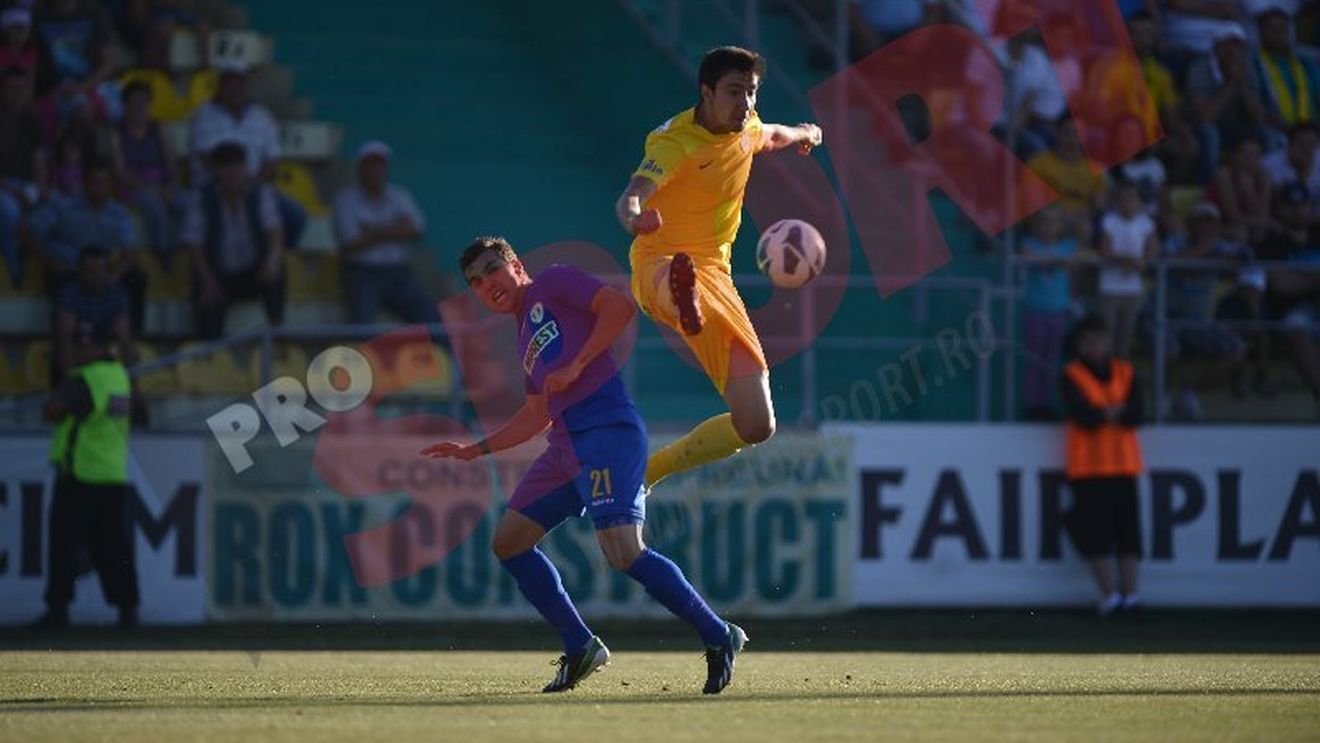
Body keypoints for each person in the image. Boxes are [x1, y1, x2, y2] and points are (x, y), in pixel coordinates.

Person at [423, 237, 747, 694]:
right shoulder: (523, 333)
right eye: (476, 282)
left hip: (607, 432)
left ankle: (719, 634)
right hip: (565, 447)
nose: (487, 284)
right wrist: (474, 450)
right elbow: (536, 414)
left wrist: (576, 363)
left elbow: (618, 308)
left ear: (516, 265)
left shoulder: (552, 282)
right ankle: (581, 646)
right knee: (510, 543)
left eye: (493, 269)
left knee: (624, 552)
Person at [614, 46, 822, 491]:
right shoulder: (674, 142)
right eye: (734, 91)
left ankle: (650, 471)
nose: (745, 102)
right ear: (706, 92)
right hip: (657, 261)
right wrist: (635, 217)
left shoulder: (745, 125)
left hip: (716, 276)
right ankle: (680, 295)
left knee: (756, 424)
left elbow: (768, 135)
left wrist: (806, 131)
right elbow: (632, 193)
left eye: (751, 91)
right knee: (674, 277)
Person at [29, 315, 138, 629]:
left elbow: (54, 410)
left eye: (84, 343)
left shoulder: (86, 378)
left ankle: (58, 609)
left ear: (100, 346)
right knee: (113, 547)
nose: (78, 349)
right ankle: (128, 609)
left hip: (80, 474)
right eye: (77, 342)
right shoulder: (119, 375)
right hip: (112, 474)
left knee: (64, 544)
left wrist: (55, 401)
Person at [1061, 315, 1144, 617]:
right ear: (1079, 345)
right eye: (1088, 341)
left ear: (1109, 342)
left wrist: (1106, 413)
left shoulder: (1125, 372)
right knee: (1095, 534)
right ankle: (1110, 596)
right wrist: (1114, 413)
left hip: (1123, 465)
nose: (1094, 347)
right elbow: (1085, 417)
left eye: (1099, 340)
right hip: (1088, 468)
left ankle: (1132, 595)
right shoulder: (1071, 374)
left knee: (1128, 533)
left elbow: (1137, 414)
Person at [188, 59, 305, 247]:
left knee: (295, 216)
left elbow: (271, 160)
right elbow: (206, 160)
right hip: (215, 187)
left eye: (239, 82)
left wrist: (254, 183)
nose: (235, 87)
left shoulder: (262, 116)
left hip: (254, 185)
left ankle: (271, 259)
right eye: (230, 82)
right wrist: (233, 180)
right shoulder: (204, 115)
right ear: (221, 85)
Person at [180, 141, 285, 339]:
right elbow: (195, 245)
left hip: (253, 271)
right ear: (216, 171)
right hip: (217, 272)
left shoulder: (260, 193)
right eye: (227, 168)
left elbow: (275, 232)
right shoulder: (201, 198)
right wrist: (209, 281)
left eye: (238, 166)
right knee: (205, 298)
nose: (234, 174)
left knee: (278, 270)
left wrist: (271, 262)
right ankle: (208, 352)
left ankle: (279, 335)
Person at [1155, 202, 1250, 420]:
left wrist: (1225, 242)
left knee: (1236, 349)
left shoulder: (1222, 246)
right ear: (1191, 224)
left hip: (1196, 322)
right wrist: (1205, 251)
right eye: (1201, 222)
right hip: (1161, 317)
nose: (1205, 227)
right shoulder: (1176, 241)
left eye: (1211, 222)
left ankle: (1189, 394)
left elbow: (1243, 257)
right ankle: (1164, 399)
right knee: (1169, 348)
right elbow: (1168, 260)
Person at [25, 158, 144, 328]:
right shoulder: (64, 207)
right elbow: (26, 230)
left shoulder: (119, 213)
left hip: (102, 270)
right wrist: (50, 261)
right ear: (85, 184)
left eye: (104, 182)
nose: (99, 187)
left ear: (111, 185)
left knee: (135, 277)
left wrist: (115, 275)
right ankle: (63, 340)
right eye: (95, 182)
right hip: (69, 269)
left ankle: (134, 337)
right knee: (60, 280)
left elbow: (130, 251)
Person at [332, 140, 438, 325]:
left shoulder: (399, 195)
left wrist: (373, 231)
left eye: (380, 166)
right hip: (362, 272)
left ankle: (448, 354)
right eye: (371, 165)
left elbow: (416, 231)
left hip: (398, 271)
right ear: (360, 169)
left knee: (433, 319)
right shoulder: (346, 199)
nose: (376, 171)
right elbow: (351, 243)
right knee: (361, 325)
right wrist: (396, 229)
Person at [1187, 23, 1271, 183]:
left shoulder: (1249, 68)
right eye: (1227, 45)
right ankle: (1207, 183)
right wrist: (1231, 83)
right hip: (1204, 128)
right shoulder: (1200, 68)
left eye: (1238, 46)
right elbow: (1205, 117)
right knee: (1210, 133)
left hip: (1238, 126)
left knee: (1269, 134)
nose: (1233, 51)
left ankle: (1268, 184)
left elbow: (1259, 117)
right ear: (1216, 47)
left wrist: (1243, 84)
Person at [110, 80, 183, 259]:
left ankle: (184, 255)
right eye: (134, 102)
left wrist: (170, 186)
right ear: (125, 105)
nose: (140, 107)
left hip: (162, 183)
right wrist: (152, 188)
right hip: (133, 186)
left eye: (144, 101)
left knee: (186, 204)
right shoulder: (117, 133)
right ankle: (164, 255)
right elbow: (120, 172)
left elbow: (172, 164)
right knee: (155, 207)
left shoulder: (160, 128)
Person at [1020, 205, 1079, 421]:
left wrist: (1048, 260)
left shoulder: (1068, 245)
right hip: (1035, 308)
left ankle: (1050, 403)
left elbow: (1076, 259)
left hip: (1058, 309)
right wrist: (1055, 260)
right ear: (1036, 225)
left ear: (1061, 226)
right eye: (1043, 221)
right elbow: (1028, 257)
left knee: (1053, 358)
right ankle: (1033, 405)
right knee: (1035, 359)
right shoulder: (1029, 244)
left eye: (1053, 221)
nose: (1048, 226)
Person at [54, 245, 133, 381]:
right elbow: (65, 336)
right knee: (65, 347)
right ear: (81, 272)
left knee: (128, 351)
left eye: (100, 271)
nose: (96, 277)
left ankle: (129, 389)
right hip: (77, 354)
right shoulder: (70, 293)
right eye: (90, 271)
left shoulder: (117, 294)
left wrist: (132, 383)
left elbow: (124, 336)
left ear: (107, 272)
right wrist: (69, 380)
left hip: (106, 356)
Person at [1098, 181, 1158, 359]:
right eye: (1123, 199)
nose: (1128, 203)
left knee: (1125, 341)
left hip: (1132, 290)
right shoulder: (1109, 221)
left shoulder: (1145, 223)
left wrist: (1144, 261)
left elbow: (1153, 248)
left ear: (1140, 202)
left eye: (1132, 199)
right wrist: (1129, 260)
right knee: (1105, 339)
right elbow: (1105, 251)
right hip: (1109, 289)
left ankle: (1121, 382)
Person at [1026, 116, 1108, 244]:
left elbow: (1100, 204)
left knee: (1085, 227)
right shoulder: (1039, 163)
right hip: (1047, 218)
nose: (1071, 138)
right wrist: (1059, 214)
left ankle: (1077, 262)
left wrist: (1086, 211)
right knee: (1049, 219)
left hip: (1079, 219)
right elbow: (1031, 199)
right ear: (1057, 133)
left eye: (1076, 134)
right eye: (1067, 132)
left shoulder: (1094, 168)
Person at [0, 63, 47, 282]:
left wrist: (40, 189)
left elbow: (39, 159)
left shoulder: (32, 117)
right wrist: (15, 193)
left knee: (55, 208)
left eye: (21, 89)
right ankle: (15, 270)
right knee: (9, 213)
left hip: (27, 184)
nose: (17, 94)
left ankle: (45, 264)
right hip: (4, 186)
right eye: (12, 89)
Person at [1251, 5, 1320, 134]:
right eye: (1271, 28)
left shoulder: (1305, 61)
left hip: (1312, 128)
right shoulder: (1253, 62)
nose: (1278, 33)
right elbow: (1254, 99)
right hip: (1274, 128)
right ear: (1260, 32)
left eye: (1282, 28)